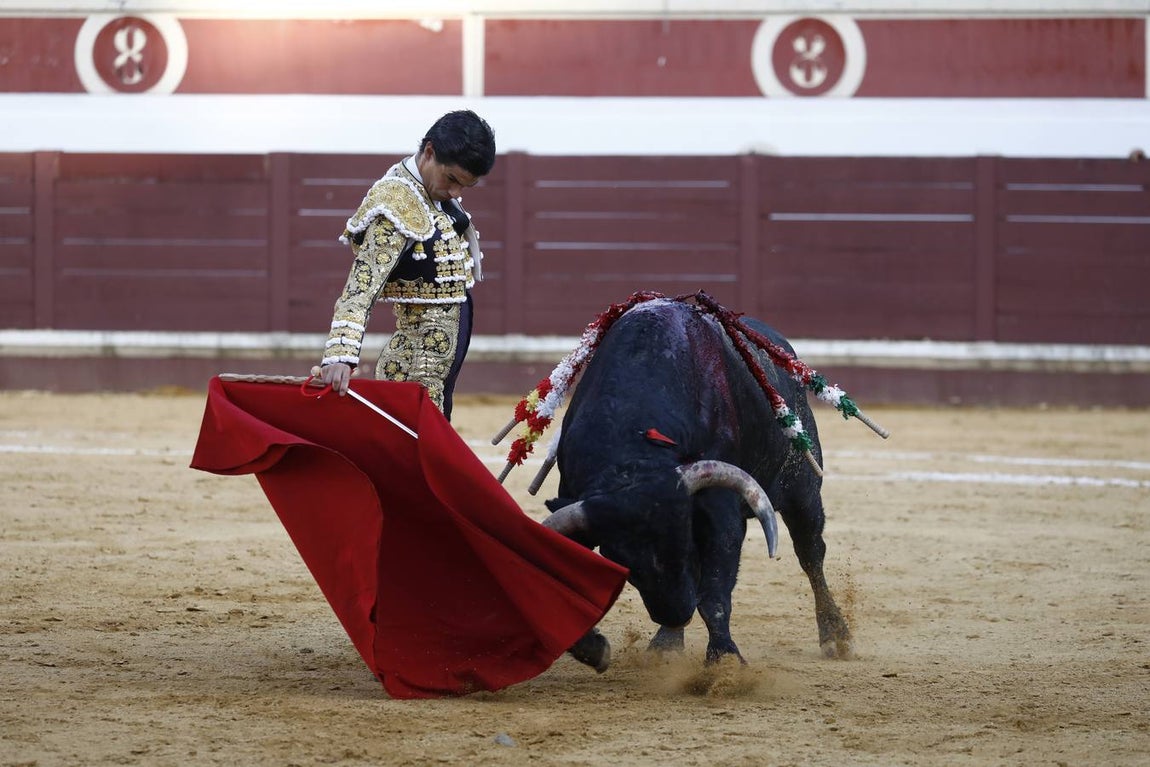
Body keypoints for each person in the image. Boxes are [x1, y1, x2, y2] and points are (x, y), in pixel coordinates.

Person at [315, 110, 496, 420]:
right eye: (451, 179)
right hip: (414, 368)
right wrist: (340, 356)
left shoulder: (428, 193)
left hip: (432, 369)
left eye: (466, 186)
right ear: (429, 152)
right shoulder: (396, 204)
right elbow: (361, 286)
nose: (455, 192)